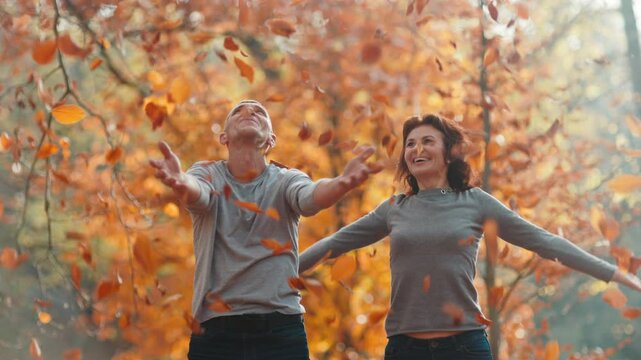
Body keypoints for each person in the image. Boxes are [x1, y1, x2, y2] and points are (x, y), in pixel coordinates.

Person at [299, 113, 641, 360]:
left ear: (447, 153)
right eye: (410, 143)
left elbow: (544, 242)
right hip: (405, 348)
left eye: (427, 141)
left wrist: (613, 273)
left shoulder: (474, 202)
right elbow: (335, 244)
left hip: (464, 347)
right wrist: (278, 272)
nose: (417, 148)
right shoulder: (394, 208)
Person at [150, 100, 379, 360]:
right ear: (223, 137)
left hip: (281, 331)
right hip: (214, 333)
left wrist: (341, 184)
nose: (249, 112)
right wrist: (180, 181)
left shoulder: (286, 179)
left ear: (271, 140)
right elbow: (198, 192)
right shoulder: (207, 173)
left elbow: (310, 198)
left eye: (259, 111)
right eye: (239, 111)